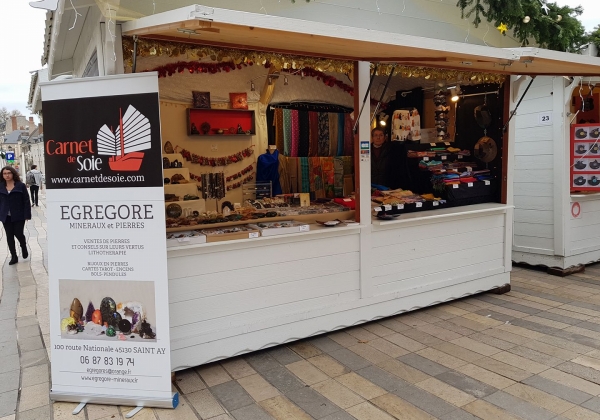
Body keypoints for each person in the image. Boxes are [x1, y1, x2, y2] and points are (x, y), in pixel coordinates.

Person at [0, 166, 31, 265]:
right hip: (6, 216)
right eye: (4, 173)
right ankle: (14, 256)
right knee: (9, 236)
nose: (7, 175)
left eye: (9, 173)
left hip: (19, 214)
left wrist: (27, 214)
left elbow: (26, 200)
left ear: (13, 174)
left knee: (18, 233)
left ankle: (23, 246)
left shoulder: (20, 185)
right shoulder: (0, 186)